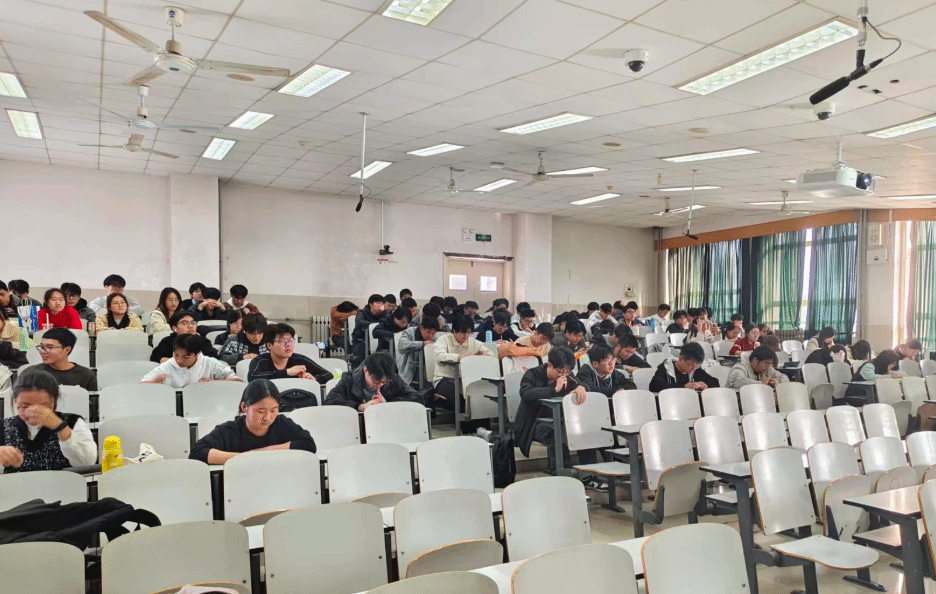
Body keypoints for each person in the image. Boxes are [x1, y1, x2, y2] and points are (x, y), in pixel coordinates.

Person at [516, 348, 598, 480]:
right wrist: (553, 389)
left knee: (583, 429)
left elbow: (583, 384)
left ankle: (589, 472)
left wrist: (582, 388)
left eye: (567, 372)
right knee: (557, 432)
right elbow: (525, 393)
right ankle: (561, 473)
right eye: (560, 372)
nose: (563, 375)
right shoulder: (532, 374)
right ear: (550, 365)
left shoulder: (568, 375)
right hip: (534, 424)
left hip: (559, 420)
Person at [189, 379, 315, 464]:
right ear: (244, 407)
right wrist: (245, 458)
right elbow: (197, 452)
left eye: (273, 410)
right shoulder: (230, 430)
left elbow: (308, 444)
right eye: (260, 411)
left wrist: (262, 453)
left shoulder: (282, 423)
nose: (267, 417)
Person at [0, 370, 96, 472]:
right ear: (16, 402)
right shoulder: (4, 426)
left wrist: (61, 427)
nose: (33, 412)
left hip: (61, 481)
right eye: (25, 406)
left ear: (53, 402)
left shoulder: (73, 422)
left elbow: (88, 462)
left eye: (41, 407)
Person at [432, 316, 496, 420]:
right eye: (462, 332)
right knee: (459, 398)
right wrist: (459, 357)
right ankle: (466, 427)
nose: (466, 336)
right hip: (444, 379)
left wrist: (478, 356)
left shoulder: (473, 342)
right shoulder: (443, 340)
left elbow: (491, 354)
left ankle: (482, 427)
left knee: (479, 395)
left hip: (466, 379)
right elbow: (439, 356)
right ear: (454, 330)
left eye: (469, 332)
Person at [324, 352, 422, 410]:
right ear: (366, 371)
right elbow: (329, 402)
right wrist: (360, 407)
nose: (379, 385)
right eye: (376, 380)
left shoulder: (392, 380)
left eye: (384, 382)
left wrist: (388, 403)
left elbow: (418, 398)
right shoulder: (349, 380)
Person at [141, 334, 241, 388]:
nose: (179, 360)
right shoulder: (167, 366)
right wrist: (153, 383)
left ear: (197, 353)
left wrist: (216, 382)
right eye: (176, 355)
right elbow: (140, 385)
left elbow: (238, 381)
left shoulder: (210, 363)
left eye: (185, 357)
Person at [248, 323, 333, 383]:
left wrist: (314, 378)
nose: (288, 345)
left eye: (291, 340)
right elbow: (252, 377)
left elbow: (328, 375)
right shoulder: (260, 361)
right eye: (282, 341)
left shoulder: (300, 360)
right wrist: (286, 372)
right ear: (269, 345)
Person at [150, 311, 219, 363]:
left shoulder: (203, 341)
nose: (190, 326)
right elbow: (155, 357)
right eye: (185, 323)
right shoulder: (168, 341)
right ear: (174, 328)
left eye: (193, 323)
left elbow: (213, 358)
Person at [649, 342, 719, 392]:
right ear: (680, 359)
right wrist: (684, 387)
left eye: (697, 366)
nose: (693, 370)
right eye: (691, 365)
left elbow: (715, 382)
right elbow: (654, 386)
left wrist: (706, 386)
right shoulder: (666, 368)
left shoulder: (696, 370)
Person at [397, 316, 438, 386]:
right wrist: (422, 344)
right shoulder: (410, 332)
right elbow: (401, 346)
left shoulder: (435, 338)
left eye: (433, 333)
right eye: (428, 332)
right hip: (408, 374)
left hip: (426, 374)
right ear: (421, 328)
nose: (430, 336)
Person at [350, 294, 386, 367]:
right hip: (361, 340)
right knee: (359, 354)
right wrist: (375, 325)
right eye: (377, 303)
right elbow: (360, 322)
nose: (380, 305)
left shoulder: (384, 314)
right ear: (371, 304)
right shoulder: (362, 312)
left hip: (378, 341)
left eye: (382, 304)